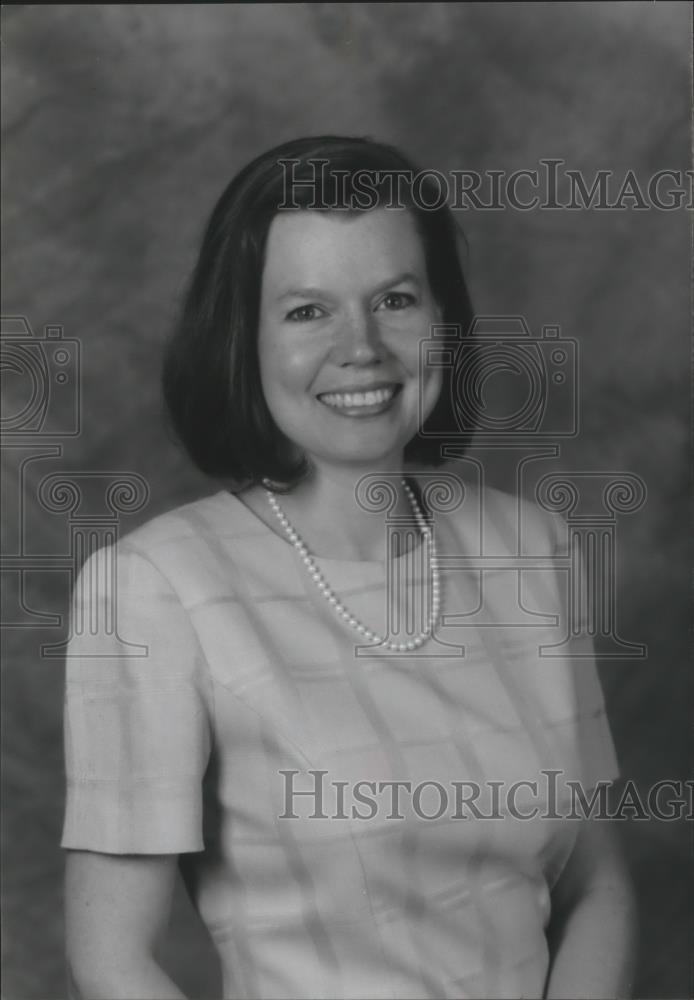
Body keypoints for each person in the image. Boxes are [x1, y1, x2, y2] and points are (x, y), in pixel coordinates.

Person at [61, 135, 635, 999]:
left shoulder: (537, 550)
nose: (361, 346)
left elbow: (596, 884)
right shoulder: (152, 588)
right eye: (306, 311)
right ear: (241, 341)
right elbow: (112, 961)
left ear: (443, 318)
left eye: (395, 299)